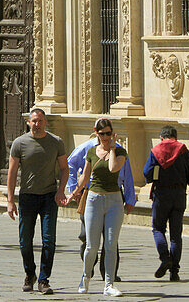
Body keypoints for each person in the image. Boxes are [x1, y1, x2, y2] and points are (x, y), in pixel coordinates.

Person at [7, 106, 68, 295]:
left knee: (49, 240)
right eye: (34, 121)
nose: (37, 124)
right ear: (28, 122)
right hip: (27, 197)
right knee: (25, 241)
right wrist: (10, 199)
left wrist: (61, 190)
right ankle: (30, 273)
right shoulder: (20, 143)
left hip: (49, 197)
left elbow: (64, 168)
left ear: (45, 122)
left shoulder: (56, 142)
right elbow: (12, 172)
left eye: (40, 121)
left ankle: (43, 280)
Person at [68, 117, 128, 297]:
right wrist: (73, 193)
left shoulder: (120, 151)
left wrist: (112, 148)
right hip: (94, 200)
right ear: (96, 133)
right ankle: (86, 276)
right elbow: (85, 177)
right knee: (91, 246)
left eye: (109, 133)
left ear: (113, 133)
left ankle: (108, 284)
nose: (105, 137)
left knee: (110, 245)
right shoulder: (91, 152)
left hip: (114, 201)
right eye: (102, 134)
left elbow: (112, 169)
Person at [143, 124, 189, 282]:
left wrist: (153, 177)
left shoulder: (156, 151)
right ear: (175, 137)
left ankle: (165, 257)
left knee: (158, 229)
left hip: (161, 195)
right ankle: (174, 271)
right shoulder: (183, 150)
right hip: (179, 195)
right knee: (176, 235)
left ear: (161, 137)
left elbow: (147, 173)